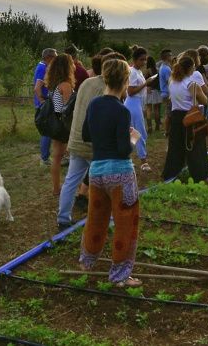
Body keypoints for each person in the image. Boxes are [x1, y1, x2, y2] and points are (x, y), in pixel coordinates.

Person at [79, 58, 143, 287]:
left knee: (96, 218)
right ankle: (119, 276)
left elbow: (86, 135)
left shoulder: (94, 105)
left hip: (96, 172)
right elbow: (124, 149)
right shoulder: (121, 111)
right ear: (126, 81)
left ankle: (86, 262)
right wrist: (133, 138)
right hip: (121, 174)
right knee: (126, 223)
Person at [57, 52, 126, 231]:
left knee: (71, 180)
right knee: (108, 185)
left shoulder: (87, 82)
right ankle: (108, 222)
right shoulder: (107, 90)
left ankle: (63, 219)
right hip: (95, 146)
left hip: (76, 139)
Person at [162, 56, 208, 183]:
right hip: (190, 117)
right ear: (190, 68)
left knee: (175, 147)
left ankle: (170, 174)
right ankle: (201, 176)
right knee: (196, 146)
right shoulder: (192, 84)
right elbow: (205, 101)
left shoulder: (172, 82)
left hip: (176, 117)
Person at [45, 53, 76, 197]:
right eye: (72, 63)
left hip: (55, 124)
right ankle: (71, 188)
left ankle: (56, 188)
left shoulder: (53, 84)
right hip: (65, 125)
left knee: (56, 157)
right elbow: (68, 108)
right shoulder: (65, 85)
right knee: (74, 157)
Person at [125, 47, 156, 172]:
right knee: (140, 133)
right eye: (141, 60)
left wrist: (145, 87)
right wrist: (146, 83)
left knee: (132, 133)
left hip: (137, 104)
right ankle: (143, 161)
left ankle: (128, 158)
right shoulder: (132, 72)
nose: (144, 62)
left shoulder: (138, 71)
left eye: (145, 60)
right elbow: (131, 91)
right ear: (134, 59)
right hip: (133, 103)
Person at [33, 48, 58, 166]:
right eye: (55, 58)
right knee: (47, 132)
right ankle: (44, 159)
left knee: (48, 131)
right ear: (49, 57)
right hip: (44, 104)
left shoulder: (43, 66)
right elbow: (37, 88)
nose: (56, 60)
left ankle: (45, 157)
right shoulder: (42, 68)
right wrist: (43, 103)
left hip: (45, 103)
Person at [144, 55, 162, 134]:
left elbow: (145, 80)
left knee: (148, 109)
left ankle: (150, 128)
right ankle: (157, 126)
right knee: (157, 109)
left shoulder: (148, 70)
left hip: (149, 90)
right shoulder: (157, 70)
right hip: (157, 90)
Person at [157, 49, 173, 135]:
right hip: (167, 93)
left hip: (164, 92)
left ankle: (167, 130)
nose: (172, 56)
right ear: (167, 57)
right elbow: (169, 81)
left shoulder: (162, 66)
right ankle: (167, 131)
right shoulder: (166, 69)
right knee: (168, 113)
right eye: (170, 55)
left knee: (168, 112)